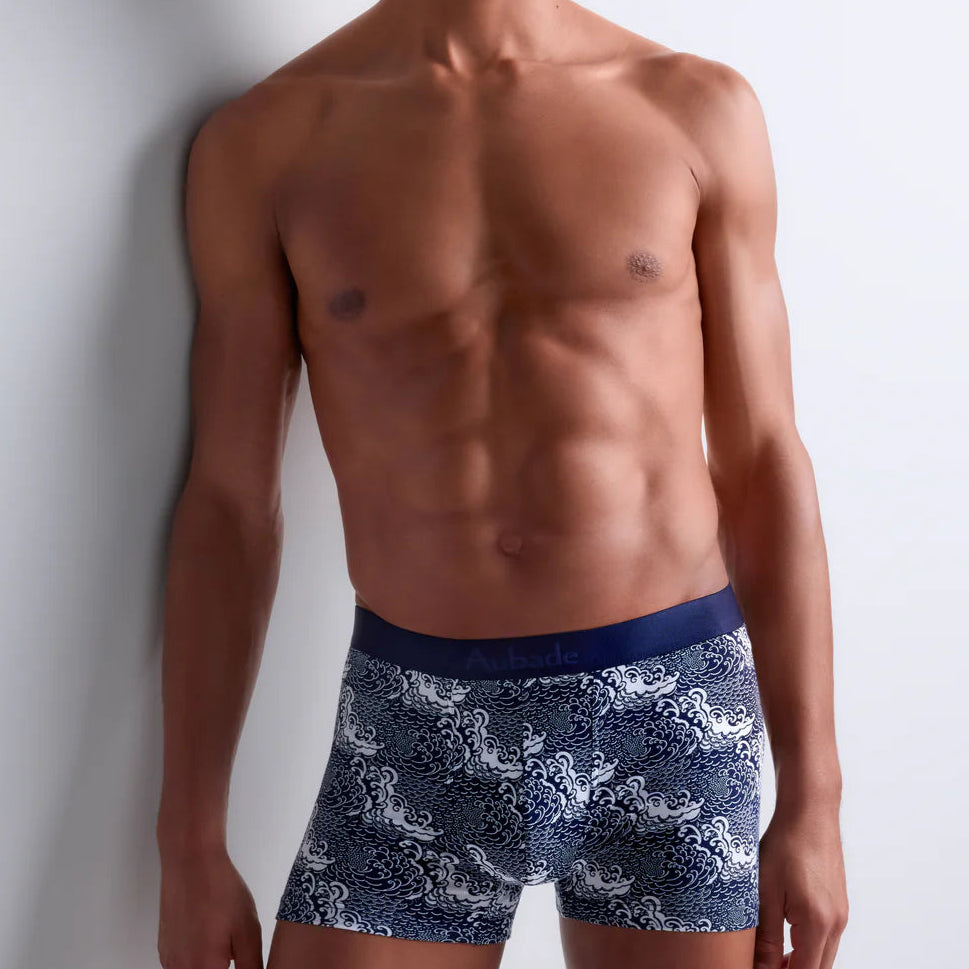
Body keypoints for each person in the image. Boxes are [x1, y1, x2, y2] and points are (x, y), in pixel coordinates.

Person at [155, 1, 849, 967]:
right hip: (412, 720)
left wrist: (815, 801)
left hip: (670, 712)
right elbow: (230, 505)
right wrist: (189, 841)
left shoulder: (691, 107)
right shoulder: (266, 143)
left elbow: (764, 460)